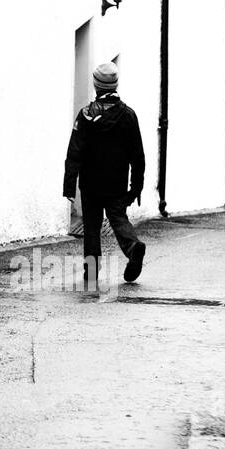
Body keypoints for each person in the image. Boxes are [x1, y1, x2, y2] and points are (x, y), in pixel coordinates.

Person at [63, 61, 147, 285]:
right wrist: (136, 187)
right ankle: (132, 247)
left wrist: (69, 186)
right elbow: (137, 155)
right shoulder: (129, 116)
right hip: (117, 181)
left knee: (91, 225)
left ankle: (91, 271)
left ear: (96, 86)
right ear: (115, 84)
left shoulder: (86, 115)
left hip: (90, 182)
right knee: (118, 217)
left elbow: (74, 153)